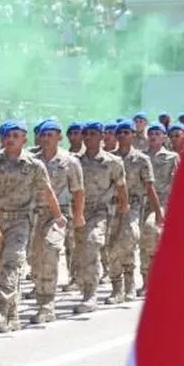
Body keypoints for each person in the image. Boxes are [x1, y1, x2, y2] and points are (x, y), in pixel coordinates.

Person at [0, 121, 65, 332]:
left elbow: (47, 191)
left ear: (24, 139)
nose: (10, 139)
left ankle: (1, 307)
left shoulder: (33, 165)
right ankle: (12, 315)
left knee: (12, 262)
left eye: (15, 135)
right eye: (6, 135)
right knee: (0, 265)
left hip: (21, 220)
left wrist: (58, 216)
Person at [28, 119, 84, 324]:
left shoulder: (70, 162)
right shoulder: (32, 160)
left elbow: (78, 191)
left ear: (59, 137)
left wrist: (78, 216)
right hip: (33, 214)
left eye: (49, 135)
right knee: (34, 259)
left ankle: (47, 304)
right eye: (42, 135)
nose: (45, 139)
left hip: (58, 215)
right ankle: (39, 291)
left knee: (50, 250)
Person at [74, 121, 129, 314]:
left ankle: (91, 295)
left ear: (102, 136)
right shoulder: (76, 161)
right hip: (79, 212)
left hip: (102, 212)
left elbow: (121, 187)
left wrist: (124, 210)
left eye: (93, 133)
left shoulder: (112, 162)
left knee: (92, 246)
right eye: (85, 133)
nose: (88, 137)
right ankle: (86, 285)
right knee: (81, 253)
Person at [110, 119, 162, 303]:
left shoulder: (141, 159)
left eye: (127, 132)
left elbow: (149, 187)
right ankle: (117, 287)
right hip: (112, 205)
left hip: (134, 205)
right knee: (111, 246)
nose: (123, 135)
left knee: (129, 238)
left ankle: (130, 284)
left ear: (133, 135)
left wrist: (158, 212)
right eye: (120, 132)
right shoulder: (111, 158)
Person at [139, 123, 179, 295]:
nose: (153, 136)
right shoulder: (141, 157)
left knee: (153, 238)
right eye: (151, 133)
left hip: (163, 204)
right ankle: (146, 281)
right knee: (143, 243)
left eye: (157, 133)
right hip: (142, 203)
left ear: (164, 137)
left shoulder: (171, 157)